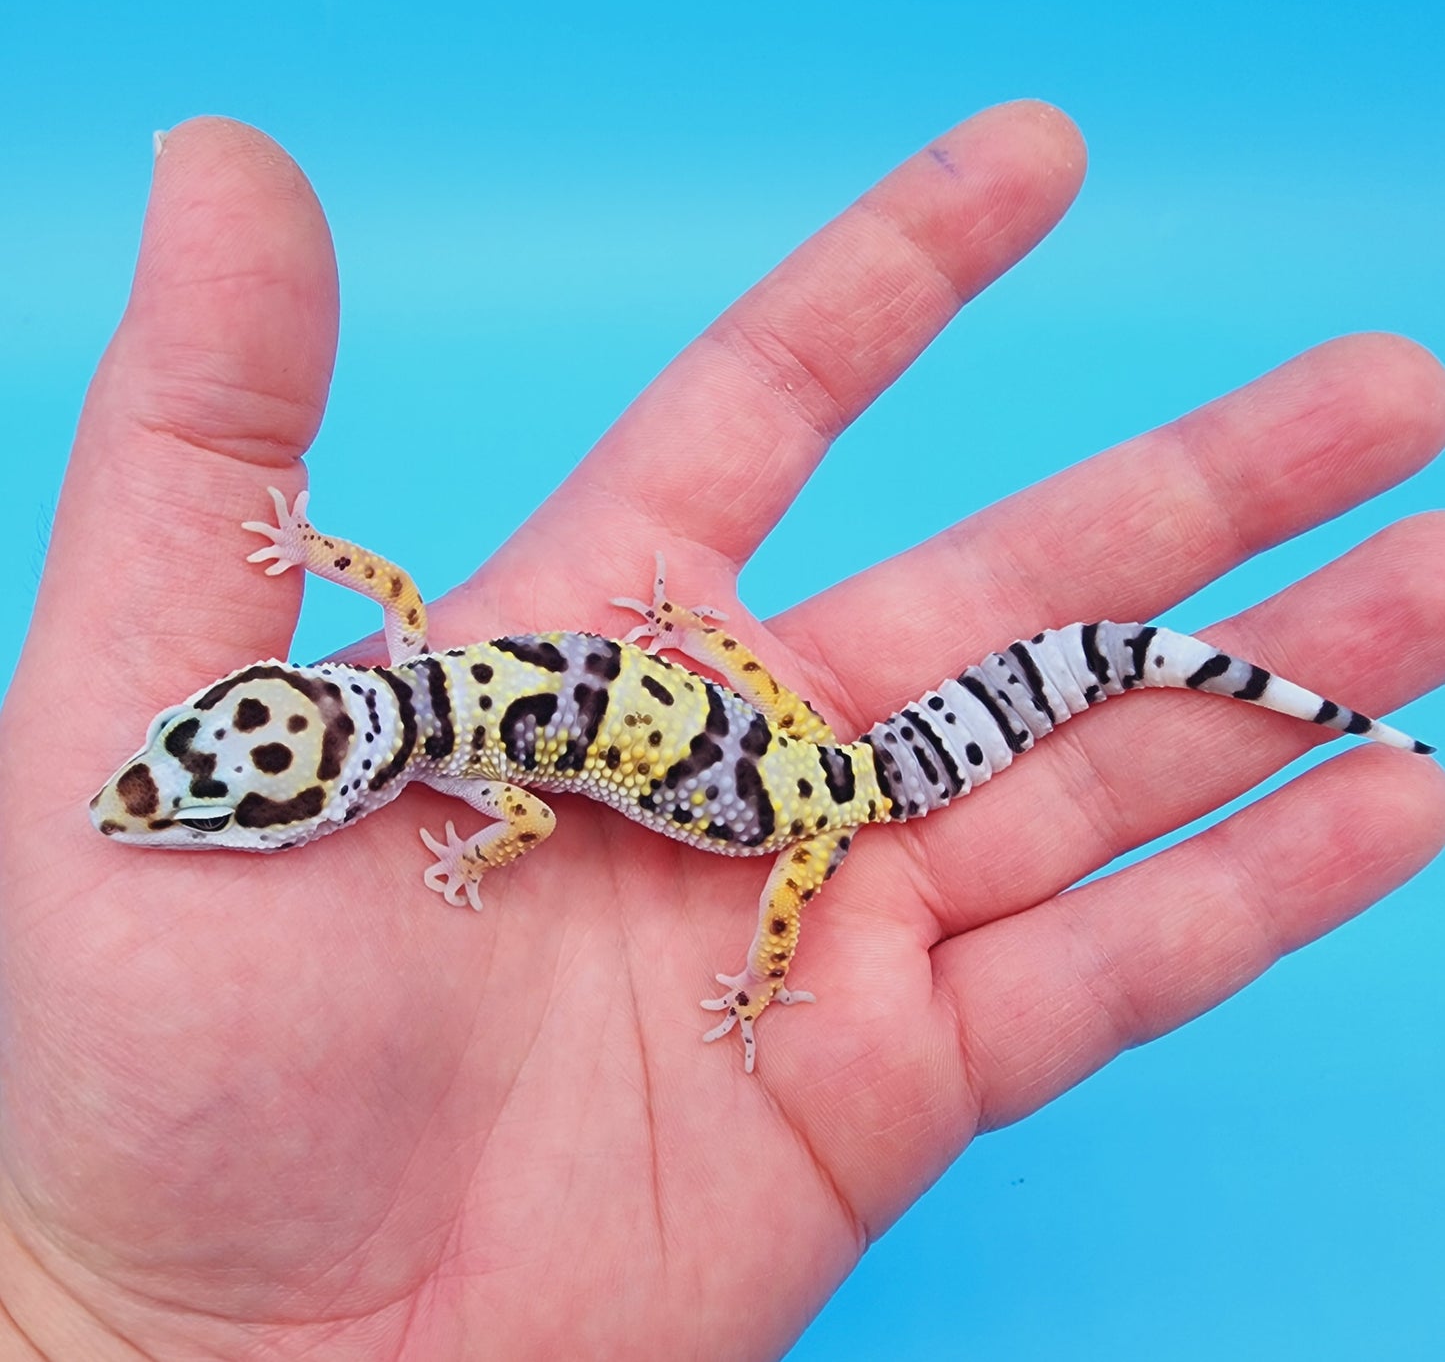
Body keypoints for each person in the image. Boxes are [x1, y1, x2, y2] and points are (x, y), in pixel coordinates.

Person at [0, 102, 1440, 1360]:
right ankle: (1234, 688)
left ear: (327, 781)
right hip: (770, 727)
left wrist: (741, 977)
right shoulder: (419, 677)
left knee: (805, 892)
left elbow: (521, 816)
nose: (172, 797)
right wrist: (326, 551)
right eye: (211, 786)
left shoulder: (448, 761)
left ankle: (1249, 699)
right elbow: (402, 597)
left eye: (210, 784)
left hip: (805, 803)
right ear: (311, 739)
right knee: (1065, 674)